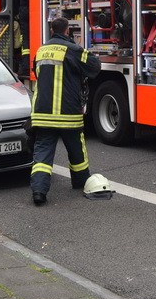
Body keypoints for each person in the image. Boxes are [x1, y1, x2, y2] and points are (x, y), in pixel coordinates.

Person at [29, 17, 102, 206]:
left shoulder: (41, 50)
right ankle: (80, 182)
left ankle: (39, 191)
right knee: (76, 149)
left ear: (52, 30)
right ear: (68, 30)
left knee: (42, 155)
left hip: (42, 113)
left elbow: (37, 73)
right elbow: (95, 67)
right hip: (67, 113)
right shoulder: (73, 50)